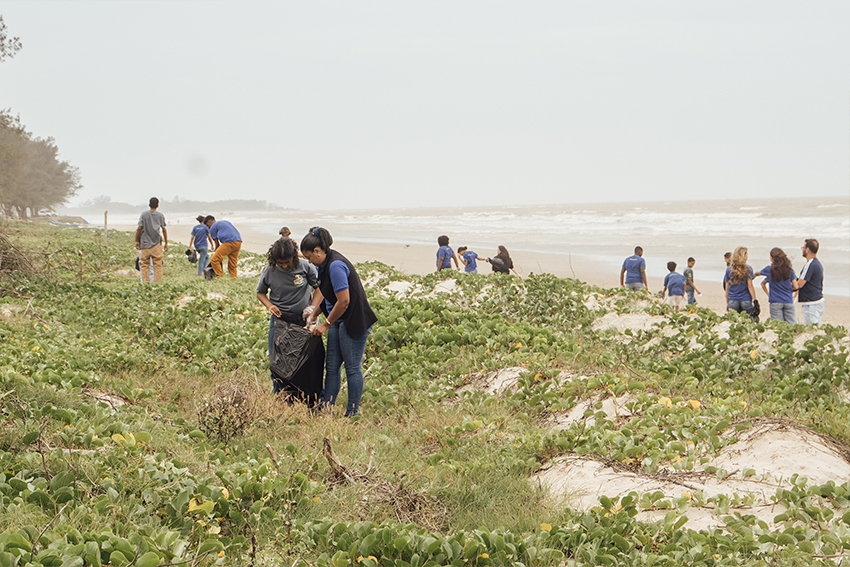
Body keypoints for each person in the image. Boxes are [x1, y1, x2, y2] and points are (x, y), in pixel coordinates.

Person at [301, 227, 377, 417]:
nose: (309, 261)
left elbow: (344, 301)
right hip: (338, 319)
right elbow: (328, 296)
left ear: (318, 251)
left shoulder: (335, 266)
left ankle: (352, 412)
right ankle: (326, 407)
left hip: (354, 319)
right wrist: (313, 314)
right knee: (332, 366)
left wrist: (325, 324)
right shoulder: (323, 266)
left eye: (309, 257)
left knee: (352, 367)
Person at [256, 238, 324, 406]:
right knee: (278, 362)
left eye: (287, 262)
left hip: (303, 320)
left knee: (306, 361)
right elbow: (260, 293)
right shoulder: (269, 271)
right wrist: (270, 306)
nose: (285, 266)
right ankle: (280, 398)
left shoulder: (305, 267)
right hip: (280, 321)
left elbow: (319, 289)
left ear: (294, 257)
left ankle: (308, 399)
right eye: (281, 263)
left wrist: (312, 308)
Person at [754, 247, 797, 324]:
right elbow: (796, 286)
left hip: (775, 301)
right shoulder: (789, 270)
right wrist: (788, 290)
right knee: (792, 325)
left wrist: (753, 276)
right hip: (788, 300)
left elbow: (758, 273)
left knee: (778, 325)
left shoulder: (769, 269)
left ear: (772, 258)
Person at [134, 197, 168, 283]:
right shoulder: (160, 215)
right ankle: (157, 283)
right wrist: (166, 242)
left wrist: (137, 240)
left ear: (149, 204)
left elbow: (139, 228)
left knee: (144, 264)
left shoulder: (144, 214)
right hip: (156, 244)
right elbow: (164, 229)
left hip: (145, 244)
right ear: (157, 205)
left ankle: (145, 283)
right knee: (158, 265)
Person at [797, 238, 824, 325]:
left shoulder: (810, 264)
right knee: (815, 326)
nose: (802, 250)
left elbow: (800, 284)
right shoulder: (816, 263)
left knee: (812, 327)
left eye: (803, 248)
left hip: (812, 302)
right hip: (815, 301)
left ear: (807, 249)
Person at [724, 246, 756, 315]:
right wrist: (755, 300)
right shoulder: (748, 268)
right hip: (745, 299)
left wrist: (727, 302)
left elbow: (727, 288)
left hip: (733, 299)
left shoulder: (729, 270)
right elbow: (750, 286)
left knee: (734, 319)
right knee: (748, 319)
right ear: (744, 256)